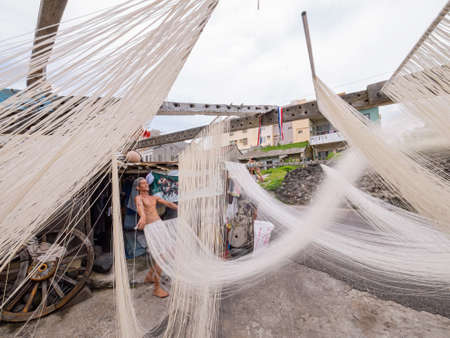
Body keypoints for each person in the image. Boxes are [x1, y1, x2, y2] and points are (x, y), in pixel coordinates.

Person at [135, 177, 177, 298]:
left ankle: (150, 276)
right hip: (151, 228)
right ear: (138, 188)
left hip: (160, 225)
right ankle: (156, 288)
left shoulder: (153, 198)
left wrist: (180, 208)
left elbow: (168, 203)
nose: (146, 184)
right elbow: (140, 208)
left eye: (146, 183)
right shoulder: (139, 198)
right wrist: (142, 217)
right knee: (162, 256)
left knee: (171, 252)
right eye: (143, 184)